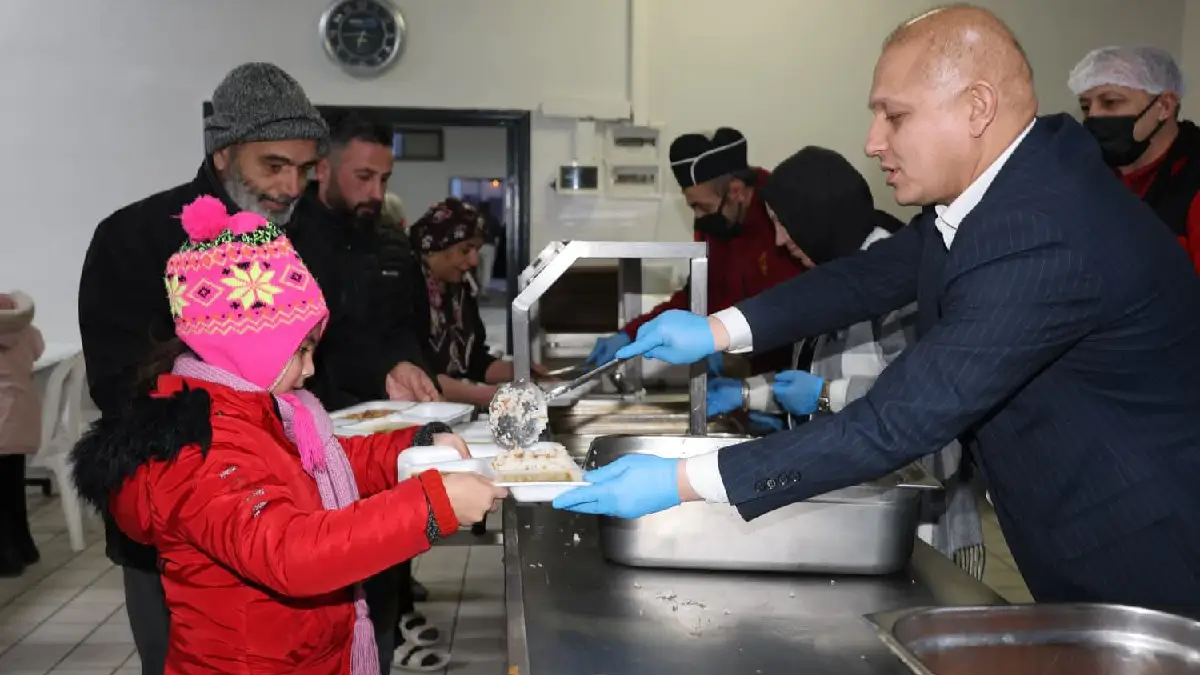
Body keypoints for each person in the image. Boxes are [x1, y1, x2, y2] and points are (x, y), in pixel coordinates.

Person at [554, 5, 1200, 616]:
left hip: (1148, 550)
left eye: (895, 116)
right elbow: (870, 275)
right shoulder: (1008, 188)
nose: (872, 142)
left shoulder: (1040, 229)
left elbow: (896, 423)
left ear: (977, 107)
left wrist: (683, 480)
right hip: (1086, 529)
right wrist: (719, 328)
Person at [75, 63, 430, 675]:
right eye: (273, 165)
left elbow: (339, 337)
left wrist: (389, 366)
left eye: (304, 168)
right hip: (195, 531)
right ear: (223, 152)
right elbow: (120, 387)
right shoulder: (134, 238)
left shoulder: (306, 233)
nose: (291, 186)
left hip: (313, 498)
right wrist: (243, 446)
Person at [70, 197, 505, 674]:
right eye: (301, 351)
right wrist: (432, 505)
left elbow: (327, 463)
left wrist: (414, 447)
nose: (311, 369)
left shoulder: (256, 411)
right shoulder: (200, 449)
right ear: (247, 345)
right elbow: (292, 553)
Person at [707, 146, 983, 578]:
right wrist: (747, 393)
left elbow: (930, 417)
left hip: (924, 534)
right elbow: (819, 375)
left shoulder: (901, 287)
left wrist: (823, 396)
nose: (779, 241)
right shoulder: (836, 271)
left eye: (783, 224)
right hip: (863, 519)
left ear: (816, 215)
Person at [290, 112, 444, 672]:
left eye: (384, 179)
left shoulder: (392, 245)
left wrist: (410, 366)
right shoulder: (288, 242)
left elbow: (409, 330)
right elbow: (309, 350)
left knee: (382, 575)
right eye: (363, 177)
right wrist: (381, 368)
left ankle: (382, 642)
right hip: (312, 444)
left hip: (385, 442)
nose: (376, 193)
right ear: (322, 170)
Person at [585, 128, 803, 375]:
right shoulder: (717, 224)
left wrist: (757, 384)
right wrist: (631, 334)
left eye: (703, 207)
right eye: (693, 207)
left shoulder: (782, 219)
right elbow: (698, 296)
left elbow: (795, 309)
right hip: (748, 370)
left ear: (737, 191)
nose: (699, 217)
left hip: (792, 369)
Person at [1069, 46, 1200, 274]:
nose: (1094, 115)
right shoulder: (1089, 169)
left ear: (1165, 106)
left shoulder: (1192, 179)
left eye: (1111, 102)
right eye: (1085, 106)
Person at [409, 198, 547, 408]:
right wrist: (487, 395)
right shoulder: (408, 288)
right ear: (435, 247)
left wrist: (520, 371)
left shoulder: (460, 291)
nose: (474, 260)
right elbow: (418, 373)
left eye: (477, 250)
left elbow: (474, 361)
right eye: (465, 250)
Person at [0, 291, 44, 577]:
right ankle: (25, 547)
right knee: (13, 488)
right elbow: (38, 351)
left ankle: (6, 558)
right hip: (22, 418)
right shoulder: (27, 332)